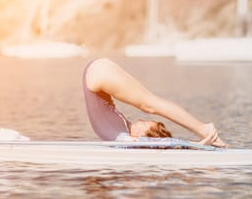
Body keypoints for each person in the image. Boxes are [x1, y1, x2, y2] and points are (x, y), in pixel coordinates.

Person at [83, 58, 226, 147]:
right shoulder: (124, 134)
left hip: (98, 73)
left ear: (143, 139)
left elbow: (165, 144)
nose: (141, 120)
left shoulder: (126, 139)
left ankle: (203, 129)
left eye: (145, 125)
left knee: (149, 104)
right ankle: (202, 129)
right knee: (149, 102)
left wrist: (198, 146)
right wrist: (199, 145)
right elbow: (166, 144)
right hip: (98, 73)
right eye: (146, 122)